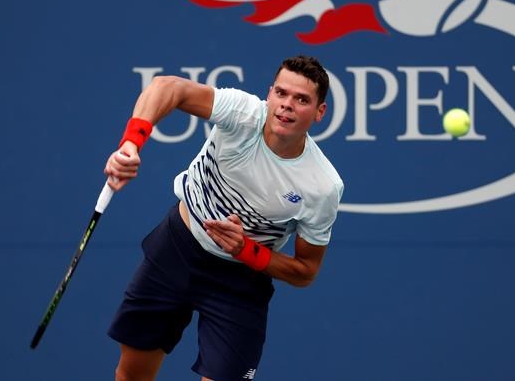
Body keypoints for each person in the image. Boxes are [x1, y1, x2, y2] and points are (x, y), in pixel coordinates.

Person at [104, 55, 344, 381]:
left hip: (241, 280)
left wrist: (245, 249)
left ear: (319, 112)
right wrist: (131, 144)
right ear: (269, 94)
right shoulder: (243, 113)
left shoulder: (322, 186)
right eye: (282, 93)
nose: (287, 105)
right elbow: (167, 87)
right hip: (177, 248)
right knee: (131, 375)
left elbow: (305, 271)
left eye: (301, 99)